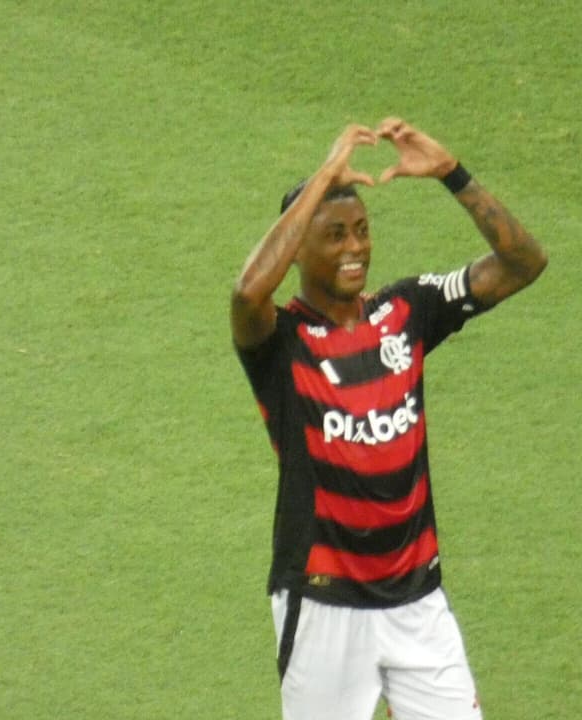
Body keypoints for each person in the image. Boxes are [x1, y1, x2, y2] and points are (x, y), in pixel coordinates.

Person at [230, 117, 547, 720]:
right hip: (324, 606)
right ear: (297, 247)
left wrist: (452, 173)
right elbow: (247, 294)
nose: (354, 248)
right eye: (334, 235)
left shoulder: (407, 311)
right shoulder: (280, 342)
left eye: (362, 231)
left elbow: (523, 262)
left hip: (416, 603)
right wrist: (325, 174)